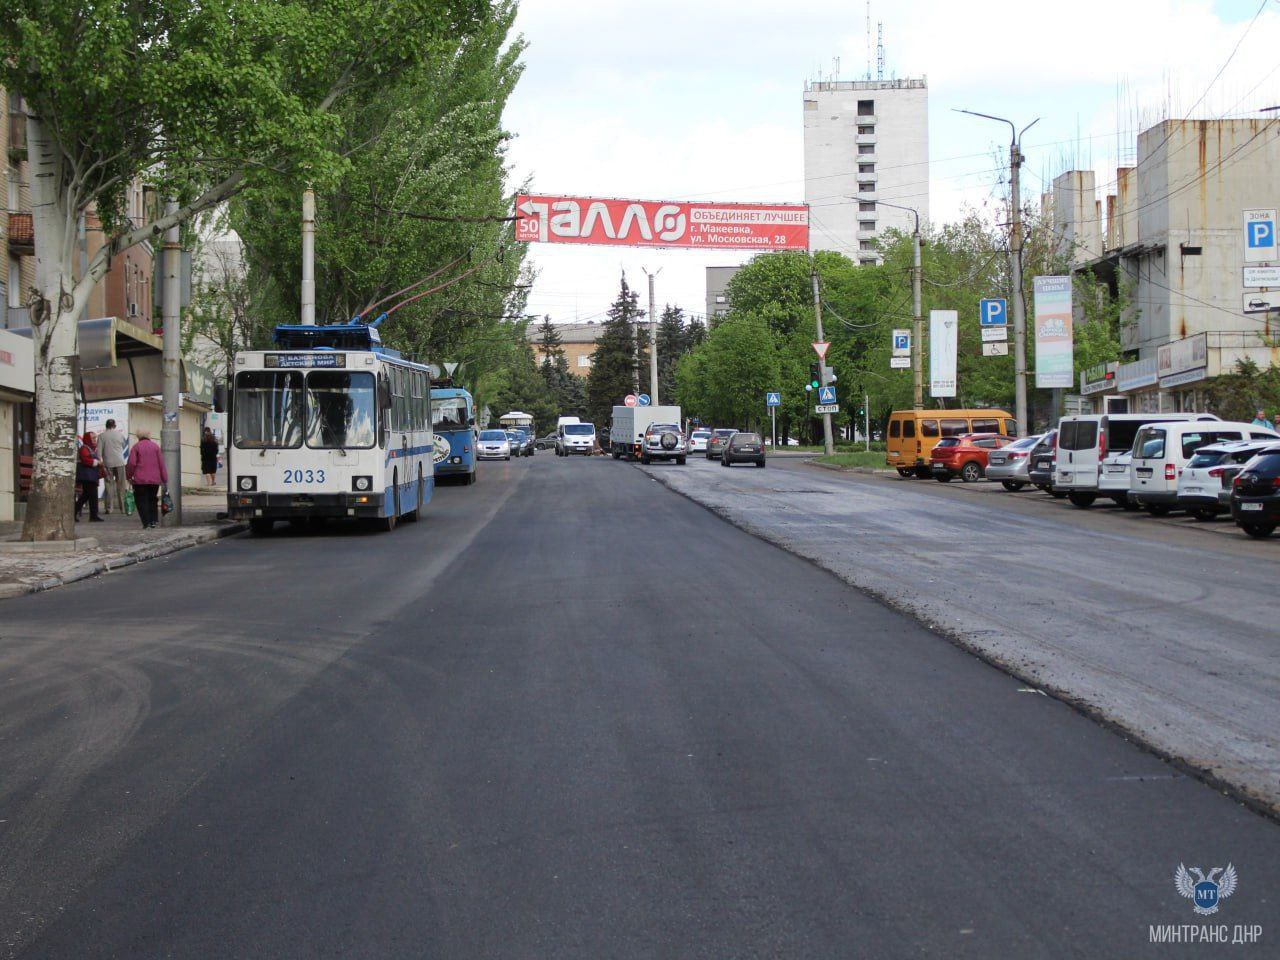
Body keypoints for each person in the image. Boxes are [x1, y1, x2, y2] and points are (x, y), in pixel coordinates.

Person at [126, 428, 168, 529]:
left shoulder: (136, 447)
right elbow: (161, 464)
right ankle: (153, 520)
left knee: (141, 500)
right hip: (154, 479)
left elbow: (131, 463)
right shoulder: (155, 447)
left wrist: (128, 476)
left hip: (140, 480)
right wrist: (164, 478)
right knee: (152, 500)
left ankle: (146, 522)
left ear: (138, 436)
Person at [97, 418, 128, 514]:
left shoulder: (101, 436)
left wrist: (101, 461)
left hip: (107, 463)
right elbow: (123, 446)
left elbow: (99, 451)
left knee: (108, 485)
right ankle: (123, 508)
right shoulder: (120, 435)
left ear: (106, 426)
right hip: (119, 462)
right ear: (114, 426)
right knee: (121, 485)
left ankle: (109, 508)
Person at [74, 432, 105, 522]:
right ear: (88, 439)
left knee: (89, 495)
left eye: (95, 438)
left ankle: (93, 515)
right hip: (87, 476)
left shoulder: (90, 448)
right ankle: (92, 515)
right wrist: (97, 462)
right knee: (89, 495)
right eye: (93, 438)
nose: (95, 440)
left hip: (90, 475)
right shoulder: (84, 448)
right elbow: (86, 460)